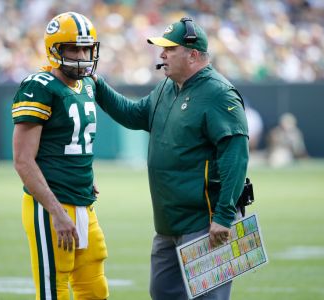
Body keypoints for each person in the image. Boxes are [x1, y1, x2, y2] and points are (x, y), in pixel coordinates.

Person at [92, 17, 249, 300]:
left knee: (207, 297)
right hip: (168, 223)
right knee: (163, 293)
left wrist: (224, 216)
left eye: (169, 49)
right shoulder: (166, 87)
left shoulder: (218, 93)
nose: (161, 54)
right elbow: (133, 114)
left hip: (206, 221)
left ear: (193, 55)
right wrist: (97, 85)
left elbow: (235, 158)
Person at [12, 12, 108, 300]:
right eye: (73, 48)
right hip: (50, 206)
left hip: (82, 202)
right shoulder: (39, 86)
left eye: (85, 48)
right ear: (55, 50)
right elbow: (23, 160)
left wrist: (82, 178)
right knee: (54, 288)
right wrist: (56, 211)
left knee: (94, 284)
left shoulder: (88, 84)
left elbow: (71, 144)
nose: (81, 55)